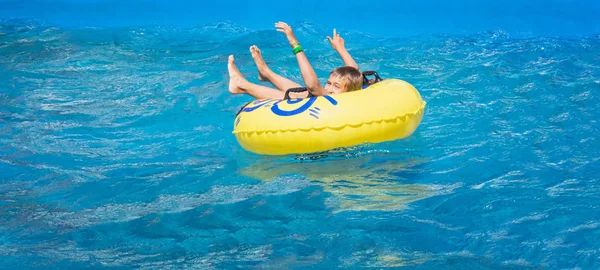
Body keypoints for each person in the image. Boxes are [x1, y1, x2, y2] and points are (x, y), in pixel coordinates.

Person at [228, 22, 362, 100]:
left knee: (304, 95)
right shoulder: (350, 89)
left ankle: (243, 85)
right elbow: (355, 71)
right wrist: (341, 49)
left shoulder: (340, 98)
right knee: (305, 93)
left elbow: (313, 86)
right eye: (328, 83)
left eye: (337, 86)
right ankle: (265, 72)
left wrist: (295, 44)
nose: (329, 88)